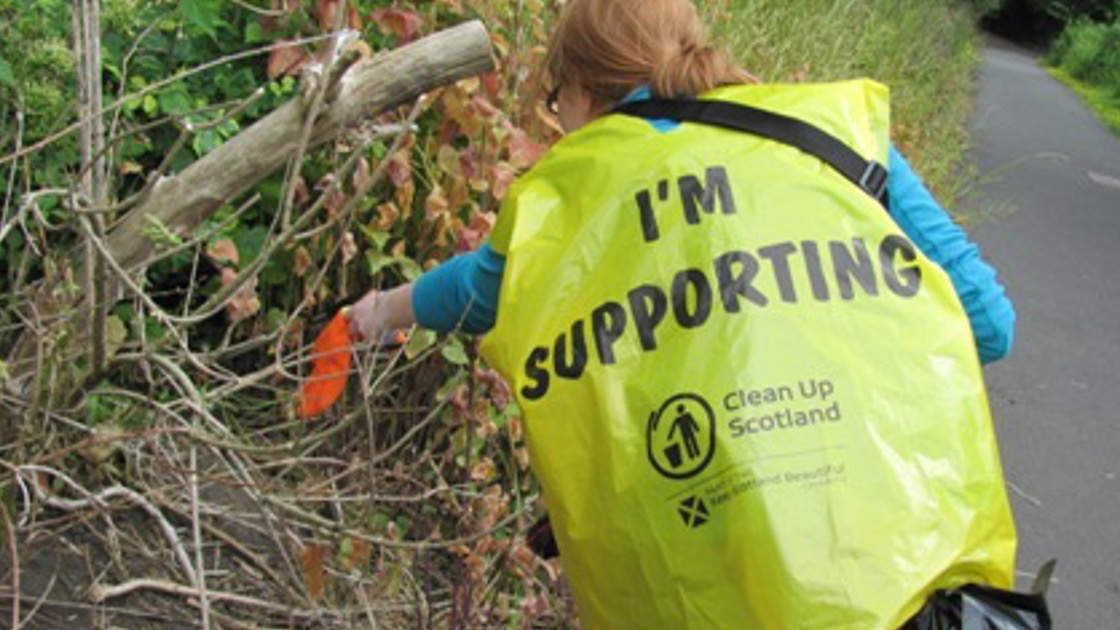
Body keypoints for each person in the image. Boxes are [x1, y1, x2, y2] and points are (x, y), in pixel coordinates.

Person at [347, 0, 1021, 627]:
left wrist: (378, 313)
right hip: (899, 570)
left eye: (557, 103)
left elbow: (485, 287)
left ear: (583, 90)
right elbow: (988, 325)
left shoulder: (574, 195)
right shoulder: (835, 138)